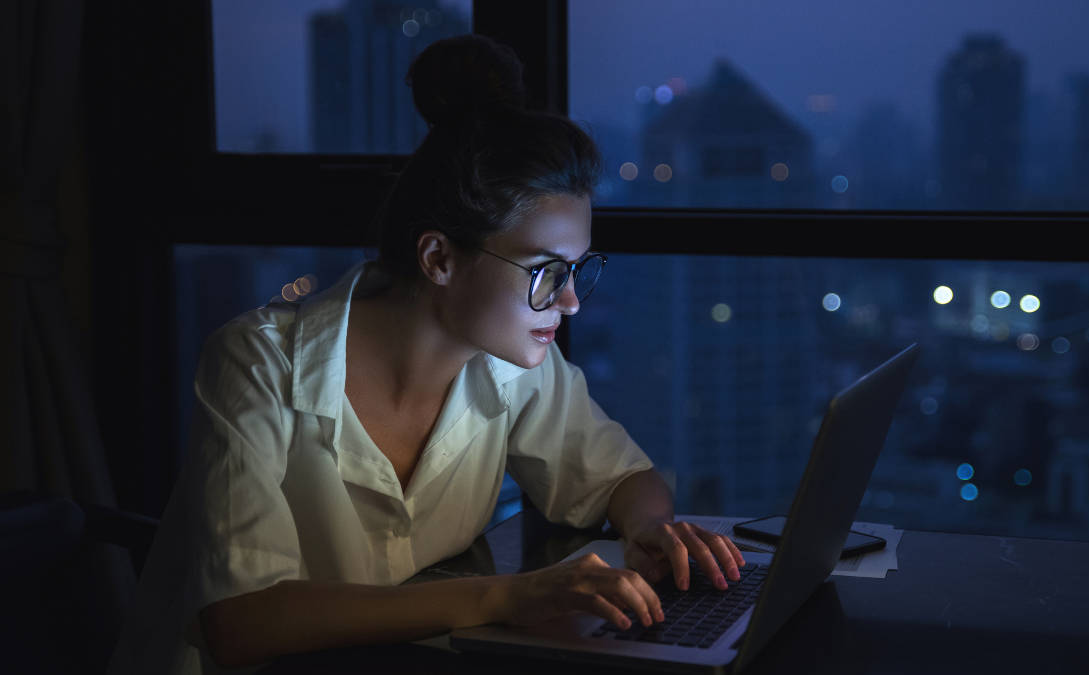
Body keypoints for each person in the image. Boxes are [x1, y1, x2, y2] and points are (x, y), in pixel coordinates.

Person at [106, 34, 744, 674]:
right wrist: (504, 596)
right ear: (439, 258)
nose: (571, 301)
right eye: (547, 271)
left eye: (578, 270)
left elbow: (624, 477)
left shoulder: (515, 362)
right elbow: (239, 623)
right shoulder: (259, 364)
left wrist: (649, 531)